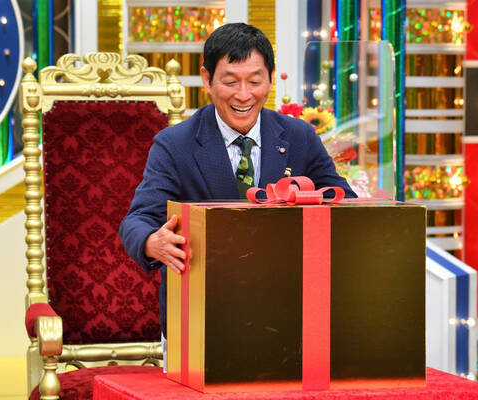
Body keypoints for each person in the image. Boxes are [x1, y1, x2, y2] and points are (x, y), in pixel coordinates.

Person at [119, 22, 356, 337]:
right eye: (230, 82)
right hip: (200, 316)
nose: (243, 95)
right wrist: (152, 242)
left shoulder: (299, 136)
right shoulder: (174, 144)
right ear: (207, 79)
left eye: (255, 81)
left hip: (287, 312)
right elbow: (138, 219)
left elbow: (344, 201)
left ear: (271, 78)